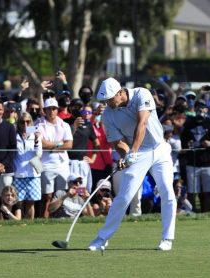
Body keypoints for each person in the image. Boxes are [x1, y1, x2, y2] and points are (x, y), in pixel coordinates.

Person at [88, 77, 176, 251]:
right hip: (138, 153)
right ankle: (102, 238)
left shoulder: (141, 93)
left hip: (160, 149)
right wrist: (126, 155)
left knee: (167, 191)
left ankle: (167, 238)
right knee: (124, 196)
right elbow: (117, 141)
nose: (108, 103)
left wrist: (132, 152)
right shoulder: (108, 114)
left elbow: (142, 123)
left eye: (110, 99)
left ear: (120, 92)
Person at [36, 98, 73, 218]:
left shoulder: (65, 125)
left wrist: (51, 146)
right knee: (47, 195)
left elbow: (69, 145)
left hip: (62, 164)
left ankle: (59, 218)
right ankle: (45, 220)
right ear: (44, 110)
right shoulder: (38, 124)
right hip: (46, 164)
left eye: (54, 109)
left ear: (57, 110)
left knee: (61, 194)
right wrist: (59, 143)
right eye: (49, 109)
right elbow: (42, 144)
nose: (51, 111)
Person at [13, 112, 43, 219]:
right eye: (22, 122)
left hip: (33, 174)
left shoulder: (35, 134)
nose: (25, 125)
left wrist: (36, 140)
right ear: (18, 123)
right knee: (19, 202)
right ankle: (20, 224)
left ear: (31, 122)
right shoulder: (14, 135)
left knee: (31, 202)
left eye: (28, 122)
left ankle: (30, 225)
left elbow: (39, 154)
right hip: (18, 173)